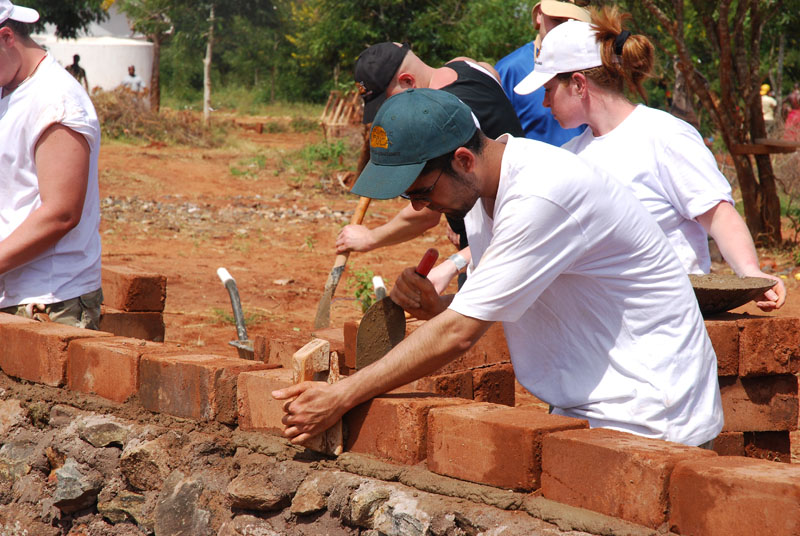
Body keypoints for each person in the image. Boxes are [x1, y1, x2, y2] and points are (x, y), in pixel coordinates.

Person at [274, 88, 724, 448]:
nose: (419, 207)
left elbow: (459, 334)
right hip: (594, 400)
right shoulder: (479, 194)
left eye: (423, 191)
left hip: (651, 408)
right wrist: (441, 307)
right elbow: (492, 306)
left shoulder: (541, 194)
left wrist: (343, 395)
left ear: (463, 160)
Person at [514, 9, 785, 311]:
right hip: (603, 318)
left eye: (549, 90)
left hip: (669, 314)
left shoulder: (664, 136)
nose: (544, 102)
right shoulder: (570, 154)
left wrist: (750, 272)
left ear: (579, 84)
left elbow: (718, 214)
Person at [338, 42, 524, 289]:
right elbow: (491, 75)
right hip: (489, 221)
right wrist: (462, 216)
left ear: (408, 81)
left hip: (500, 235)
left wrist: (370, 238)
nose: (390, 113)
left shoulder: (444, 117)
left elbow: (426, 212)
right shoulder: (468, 66)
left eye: (387, 102)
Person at [0, 0, 103, 329]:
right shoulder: (9, 89)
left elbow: (61, 213)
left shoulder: (56, 100)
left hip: (52, 301)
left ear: (6, 37)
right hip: (12, 289)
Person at [495, 0, 589, 144]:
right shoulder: (509, 70)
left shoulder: (594, 65)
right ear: (539, 14)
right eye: (557, 20)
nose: (564, 29)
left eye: (573, 22)